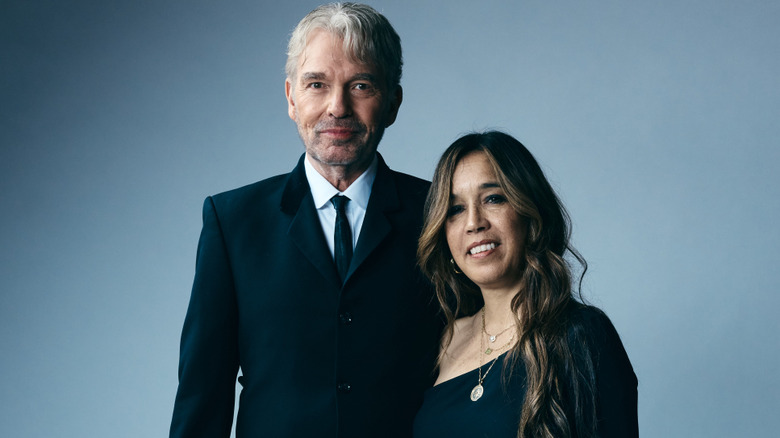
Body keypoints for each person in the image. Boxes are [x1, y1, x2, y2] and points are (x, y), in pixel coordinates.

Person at [169, 4, 441, 437]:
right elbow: (204, 394)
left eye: (362, 85)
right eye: (317, 84)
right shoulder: (233, 222)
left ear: (393, 102)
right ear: (292, 98)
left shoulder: (440, 214)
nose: (338, 107)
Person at [414, 131, 638, 438]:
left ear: (529, 213)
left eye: (493, 198)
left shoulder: (581, 334)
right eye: (456, 209)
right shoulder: (444, 339)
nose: (473, 222)